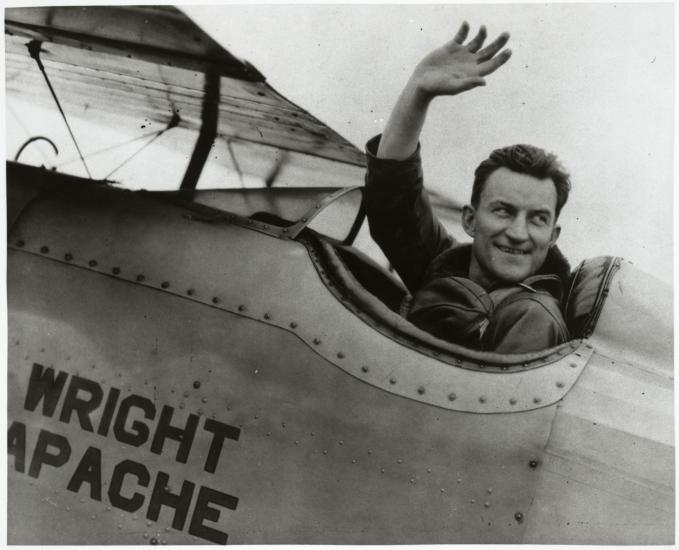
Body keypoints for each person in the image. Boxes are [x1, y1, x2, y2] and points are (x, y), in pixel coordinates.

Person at [364, 22, 571, 353]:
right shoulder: (445, 266)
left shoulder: (533, 317)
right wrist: (418, 91)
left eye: (537, 219)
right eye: (503, 210)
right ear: (470, 220)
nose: (518, 233)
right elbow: (393, 202)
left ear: (554, 235)